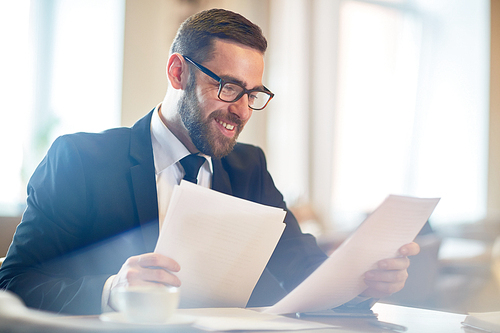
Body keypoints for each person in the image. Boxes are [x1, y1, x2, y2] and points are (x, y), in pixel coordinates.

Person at [0, 8, 419, 315]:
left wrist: (363, 283)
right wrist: (112, 289)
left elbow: (303, 271)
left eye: (253, 94)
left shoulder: (249, 167)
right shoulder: (80, 161)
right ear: (178, 72)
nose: (242, 112)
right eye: (229, 88)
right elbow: (15, 282)